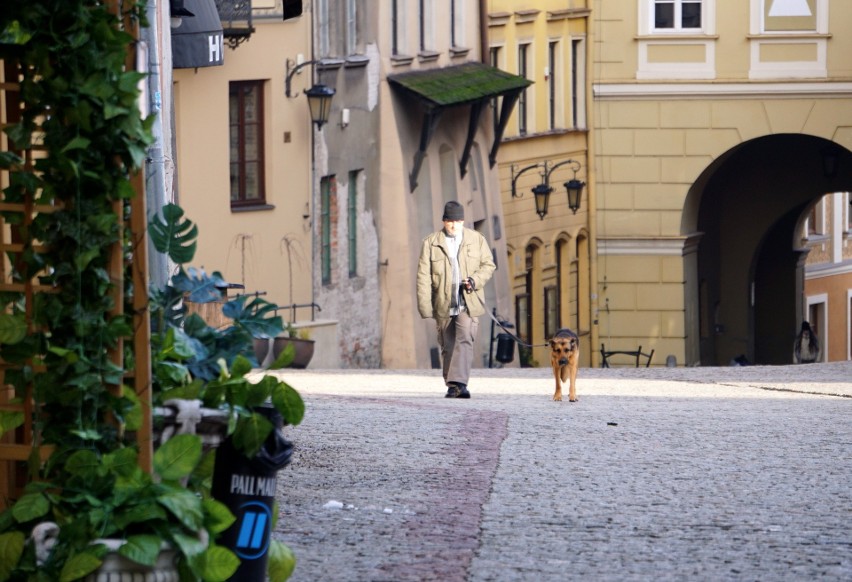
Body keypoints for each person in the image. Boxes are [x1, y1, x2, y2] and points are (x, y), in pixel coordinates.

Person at [417, 201, 496, 398]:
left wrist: (474, 280)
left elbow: (488, 265)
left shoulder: (476, 239)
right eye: (450, 221)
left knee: (465, 339)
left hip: (468, 300)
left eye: (458, 221)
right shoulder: (431, 243)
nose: (454, 225)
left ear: (463, 221)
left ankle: (458, 382)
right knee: (448, 345)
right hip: (443, 302)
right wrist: (425, 307)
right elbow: (423, 277)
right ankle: (453, 385)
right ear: (444, 221)